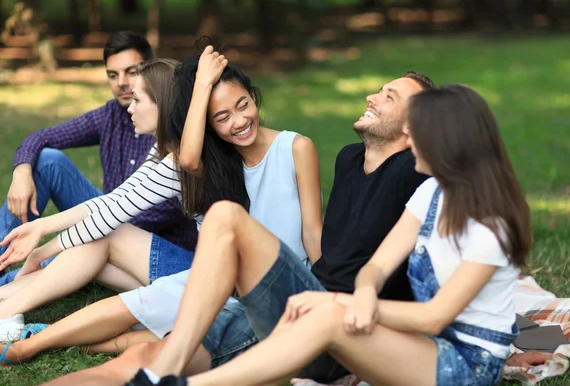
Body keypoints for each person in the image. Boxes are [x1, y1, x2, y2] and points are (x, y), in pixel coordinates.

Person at [39, 69, 434, 385]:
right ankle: (29, 349)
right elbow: (327, 247)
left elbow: (450, 233)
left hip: (329, 319)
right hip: (287, 297)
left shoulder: (418, 177)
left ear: (413, 129)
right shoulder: (349, 159)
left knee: (223, 221)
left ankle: (168, 370)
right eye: (221, 117)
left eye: (389, 97)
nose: (372, 96)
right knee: (140, 355)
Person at [139, 83, 532, 386]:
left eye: (418, 129)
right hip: (423, 343)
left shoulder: (489, 224)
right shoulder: (432, 192)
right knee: (324, 306)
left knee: (327, 313)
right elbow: (376, 267)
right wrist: (360, 293)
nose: (408, 136)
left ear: (447, 140)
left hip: (467, 364)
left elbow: (434, 316)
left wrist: (348, 307)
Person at [0, 47, 322, 370]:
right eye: (222, 117)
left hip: (235, 275)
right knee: (114, 256)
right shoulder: (209, 156)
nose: (129, 107)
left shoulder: (263, 151)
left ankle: (17, 311)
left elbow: (312, 234)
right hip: (213, 271)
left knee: (112, 247)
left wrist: (327, 297)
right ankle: (15, 311)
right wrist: (43, 233)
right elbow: (115, 201)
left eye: (139, 99)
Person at [0, 30, 198, 286]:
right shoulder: (110, 115)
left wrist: (58, 243)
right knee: (48, 161)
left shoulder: (175, 146)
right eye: (113, 75)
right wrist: (22, 170)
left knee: (97, 235)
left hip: (150, 240)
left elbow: (126, 216)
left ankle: (12, 284)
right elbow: (43, 137)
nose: (122, 83)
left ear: (152, 72)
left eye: (132, 71)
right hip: (109, 210)